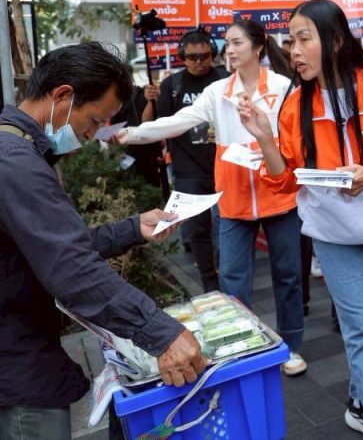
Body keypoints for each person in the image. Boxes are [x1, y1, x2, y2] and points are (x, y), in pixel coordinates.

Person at [0, 42, 205, 439]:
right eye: (94, 120)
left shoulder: (10, 148)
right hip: (10, 367)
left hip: (19, 350)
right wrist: (162, 333)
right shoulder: (12, 160)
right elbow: (71, 266)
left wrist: (132, 228)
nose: (91, 135)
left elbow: (51, 245)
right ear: (63, 97)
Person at [241, 0, 363, 440]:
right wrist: (266, 140)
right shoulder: (294, 104)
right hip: (332, 236)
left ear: (334, 41)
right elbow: (283, 182)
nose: (294, 50)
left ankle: (359, 400)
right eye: (291, 41)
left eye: (303, 39)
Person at [117, 19, 308, 376]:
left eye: (237, 43)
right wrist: (133, 134)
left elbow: (293, 137)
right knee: (233, 278)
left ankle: (292, 345)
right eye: (227, 44)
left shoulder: (283, 87)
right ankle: (242, 345)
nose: (229, 50)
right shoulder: (218, 92)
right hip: (233, 198)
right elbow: (178, 121)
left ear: (258, 47)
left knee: (288, 275)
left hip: (279, 195)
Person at [145, 28, 229, 292]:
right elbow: (153, 124)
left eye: (204, 56)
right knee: (198, 229)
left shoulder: (225, 79)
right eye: (192, 57)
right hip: (188, 169)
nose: (199, 62)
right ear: (183, 57)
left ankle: (227, 274)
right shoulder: (173, 85)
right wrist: (150, 101)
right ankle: (209, 284)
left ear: (213, 54)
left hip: (225, 164)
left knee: (229, 226)